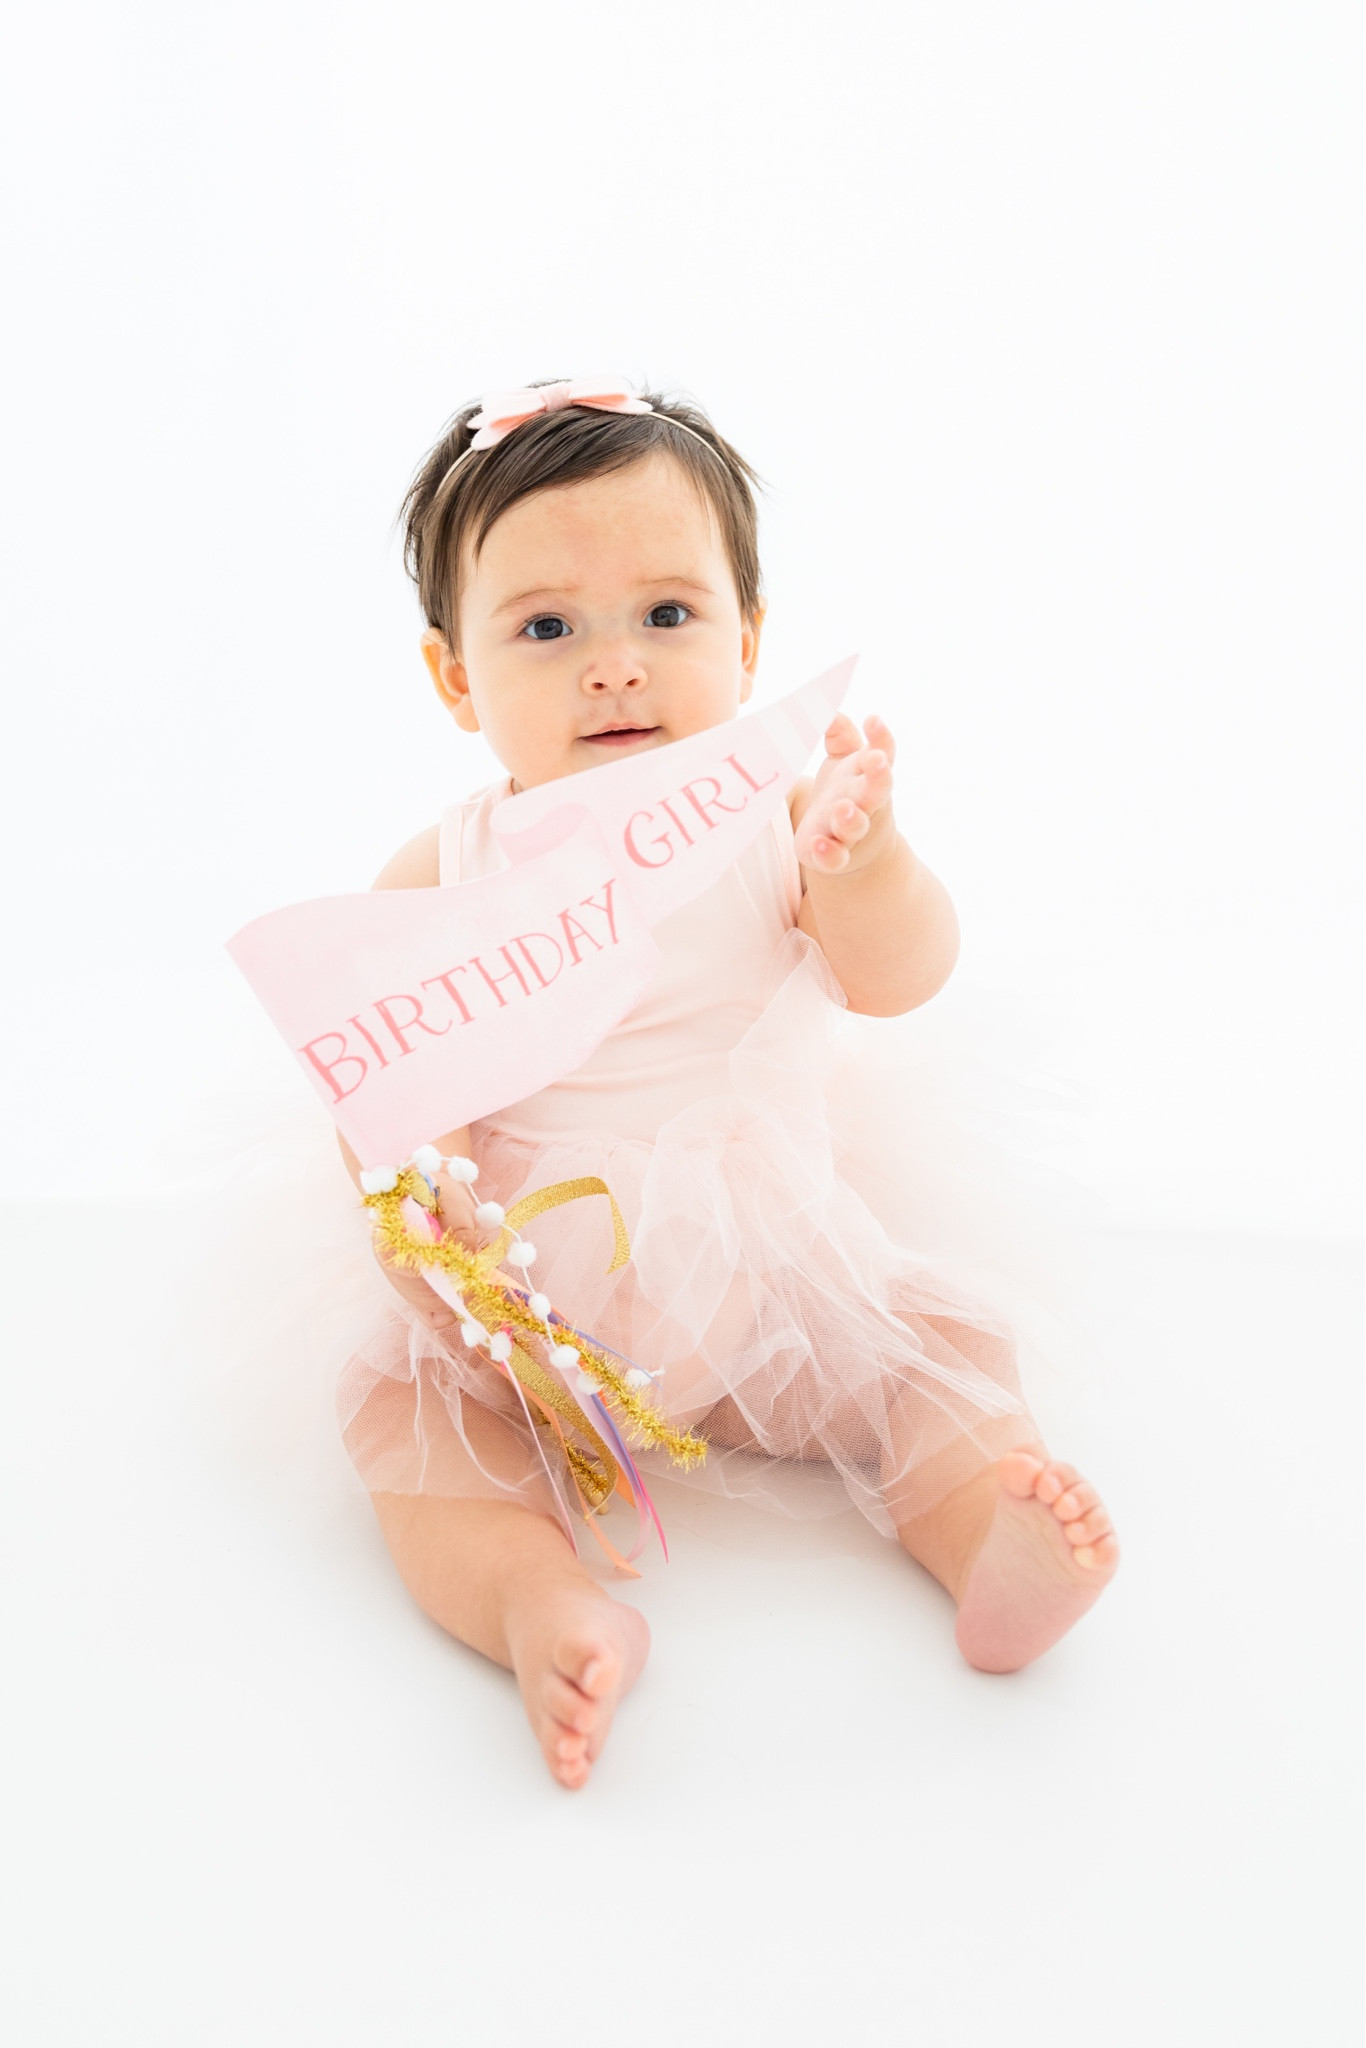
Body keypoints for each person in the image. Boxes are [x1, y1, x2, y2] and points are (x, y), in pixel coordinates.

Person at [333, 378, 1119, 1791]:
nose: (615, 665)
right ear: (455, 676)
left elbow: (898, 977)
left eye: (667, 615)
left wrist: (863, 870)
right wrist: (428, 1228)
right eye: (545, 628)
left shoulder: (768, 823)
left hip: (771, 1270)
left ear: (749, 643)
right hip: (540, 1314)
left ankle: (981, 1537)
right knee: (401, 1424)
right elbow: (392, 1076)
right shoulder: (443, 872)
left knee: (936, 1346)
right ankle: (537, 1603)